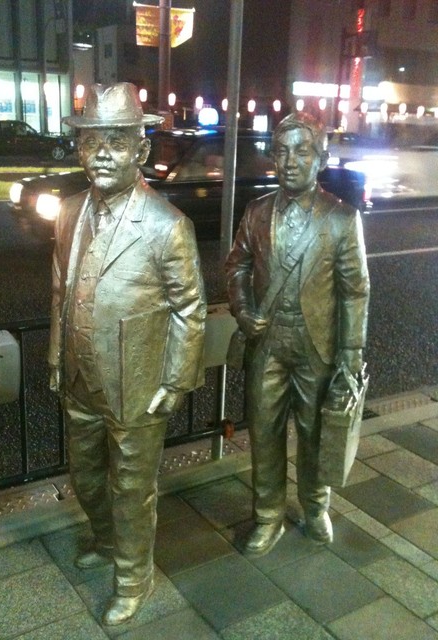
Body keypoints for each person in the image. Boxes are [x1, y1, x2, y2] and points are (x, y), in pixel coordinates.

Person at [48, 83, 207, 625]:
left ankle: (134, 578)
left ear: (141, 150)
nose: (102, 154)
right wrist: (55, 357)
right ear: (79, 149)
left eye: (117, 142)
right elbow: (59, 290)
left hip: (137, 384)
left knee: (133, 489)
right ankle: (105, 540)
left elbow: (190, 309)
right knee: (87, 476)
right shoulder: (68, 212)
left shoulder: (166, 225)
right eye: (92, 142)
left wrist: (175, 381)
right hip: (80, 379)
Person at [225, 112, 369, 556]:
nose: (290, 161)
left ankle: (315, 504)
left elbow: (355, 290)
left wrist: (350, 352)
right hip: (267, 343)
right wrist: (243, 310)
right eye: (282, 151)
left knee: (314, 431)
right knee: (263, 433)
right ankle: (267, 516)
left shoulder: (341, 218)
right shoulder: (257, 212)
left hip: (316, 345)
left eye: (301, 151)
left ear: (320, 158)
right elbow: (237, 266)